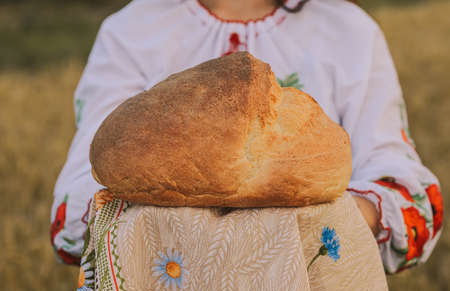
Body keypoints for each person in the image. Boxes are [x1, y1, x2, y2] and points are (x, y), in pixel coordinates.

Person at [51, 0, 443, 274]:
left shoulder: (349, 32)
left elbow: (407, 196)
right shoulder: (131, 31)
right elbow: (83, 198)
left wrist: (321, 222)